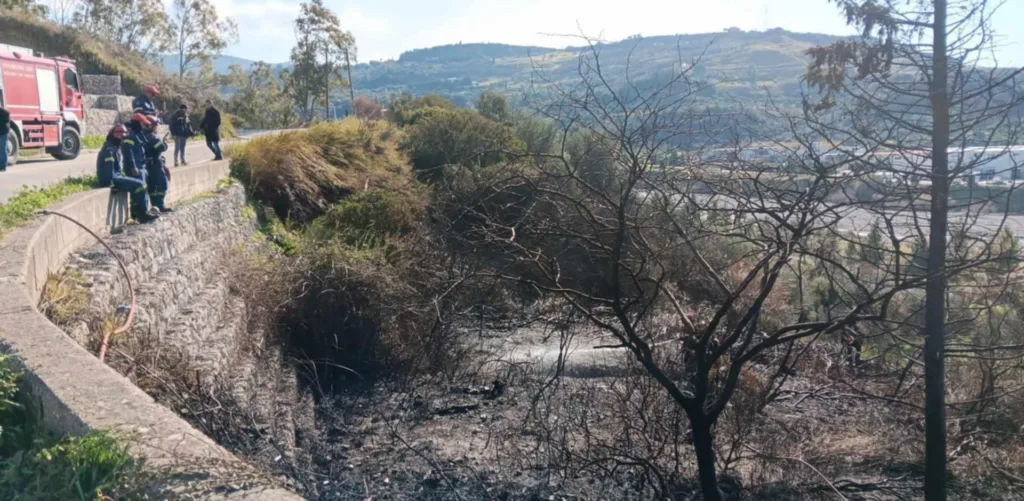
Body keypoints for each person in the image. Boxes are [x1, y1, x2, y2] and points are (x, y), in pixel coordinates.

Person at [97, 125, 157, 223]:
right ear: (114, 135)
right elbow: (109, 167)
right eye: (119, 136)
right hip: (112, 178)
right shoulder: (109, 149)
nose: (121, 139)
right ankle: (142, 214)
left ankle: (138, 213)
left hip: (117, 176)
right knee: (141, 185)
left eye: (123, 137)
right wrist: (110, 183)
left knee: (139, 184)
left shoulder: (115, 147)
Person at [124, 113, 158, 221]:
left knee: (143, 189)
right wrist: (133, 166)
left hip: (140, 166)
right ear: (138, 123)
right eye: (143, 124)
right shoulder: (130, 134)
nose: (145, 126)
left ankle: (142, 212)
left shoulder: (138, 133)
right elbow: (128, 152)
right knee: (139, 190)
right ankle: (141, 214)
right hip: (135, 167)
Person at [142, 118, 173, 213]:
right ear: (150, 126)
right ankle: (160, 205)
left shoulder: (140, 136)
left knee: (152, 186)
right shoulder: (153, 137)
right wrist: (164, 143)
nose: (156, 128)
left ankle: (155, 205)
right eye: (155, 126)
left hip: (146, 166)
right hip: (156, 165)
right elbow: (161, 147)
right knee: (162, 183)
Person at [0, 103, 10, 172]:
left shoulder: (3, 111)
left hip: (3, 132)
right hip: (2, 131)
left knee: (2, 148)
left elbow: (7, 114)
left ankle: (3, 166)